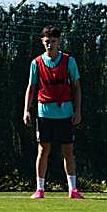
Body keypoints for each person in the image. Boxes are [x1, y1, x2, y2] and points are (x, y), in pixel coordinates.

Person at [23, 26, 83, 199]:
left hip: (65, 112)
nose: (50, 45)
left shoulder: (69, 61)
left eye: (54, 41)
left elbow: (76, 87)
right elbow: (31, 87)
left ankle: (73, 189)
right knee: (43, 150)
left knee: (68, 150)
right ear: (42, 42)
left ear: (59, 42)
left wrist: (77, 110)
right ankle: (40, 189)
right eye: (47, 41)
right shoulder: (36, 63)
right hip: (44, 113)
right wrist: (27, 109)